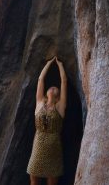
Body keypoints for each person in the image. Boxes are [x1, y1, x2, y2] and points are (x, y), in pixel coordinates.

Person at [27, 56, 67, 185]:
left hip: (53, 146)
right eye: (51, 87)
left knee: (52, 181)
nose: (53, 87)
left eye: (56, 88)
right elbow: (40, 79)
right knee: (34, 180)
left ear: (58, 95)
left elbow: (64, 81)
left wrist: (60, 64)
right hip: (38, 143)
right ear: (47, 92)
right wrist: (49, 63)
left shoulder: (60, 107)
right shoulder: (39, 103)